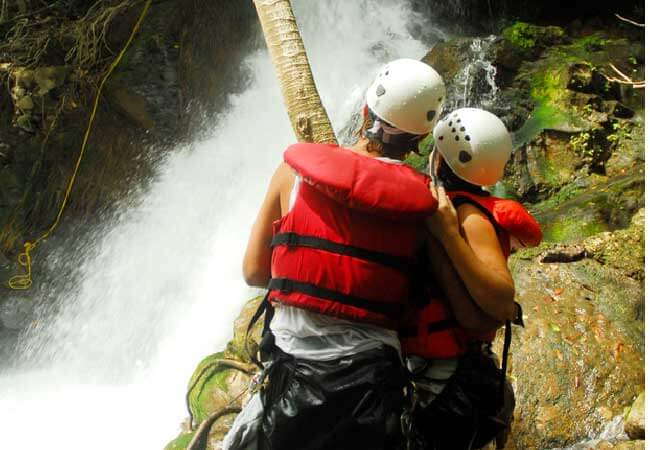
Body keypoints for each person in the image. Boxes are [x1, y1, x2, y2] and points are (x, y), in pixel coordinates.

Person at [223, 58, 451, 450]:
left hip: (291, 382)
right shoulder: (424, 205)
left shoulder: (292, 174)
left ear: (364, 112)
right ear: (422, 139)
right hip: (373, 392)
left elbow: (254, 271)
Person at [400, 107, 542, 450]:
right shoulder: (457, 206)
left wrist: (448, 235)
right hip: (437, 370)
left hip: (444, 378)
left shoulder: (466, 216)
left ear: (438, 161)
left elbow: (500, 300)